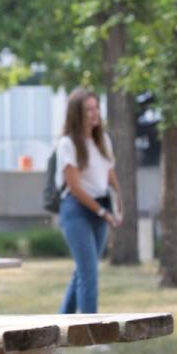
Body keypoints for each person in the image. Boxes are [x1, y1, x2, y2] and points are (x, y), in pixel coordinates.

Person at [55, 87, 124, 314]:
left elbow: (110, 175)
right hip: (76, 210)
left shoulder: (103, 139)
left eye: (96, 108)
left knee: (83, 271)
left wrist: (118, 205)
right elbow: (74, 187)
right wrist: (103, 213)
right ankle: (91, 334)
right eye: (88, 110)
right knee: (88, 273)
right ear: (77, 114)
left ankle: (59, 323)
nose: (94, 114)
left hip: (101, 207)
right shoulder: (68, 144)